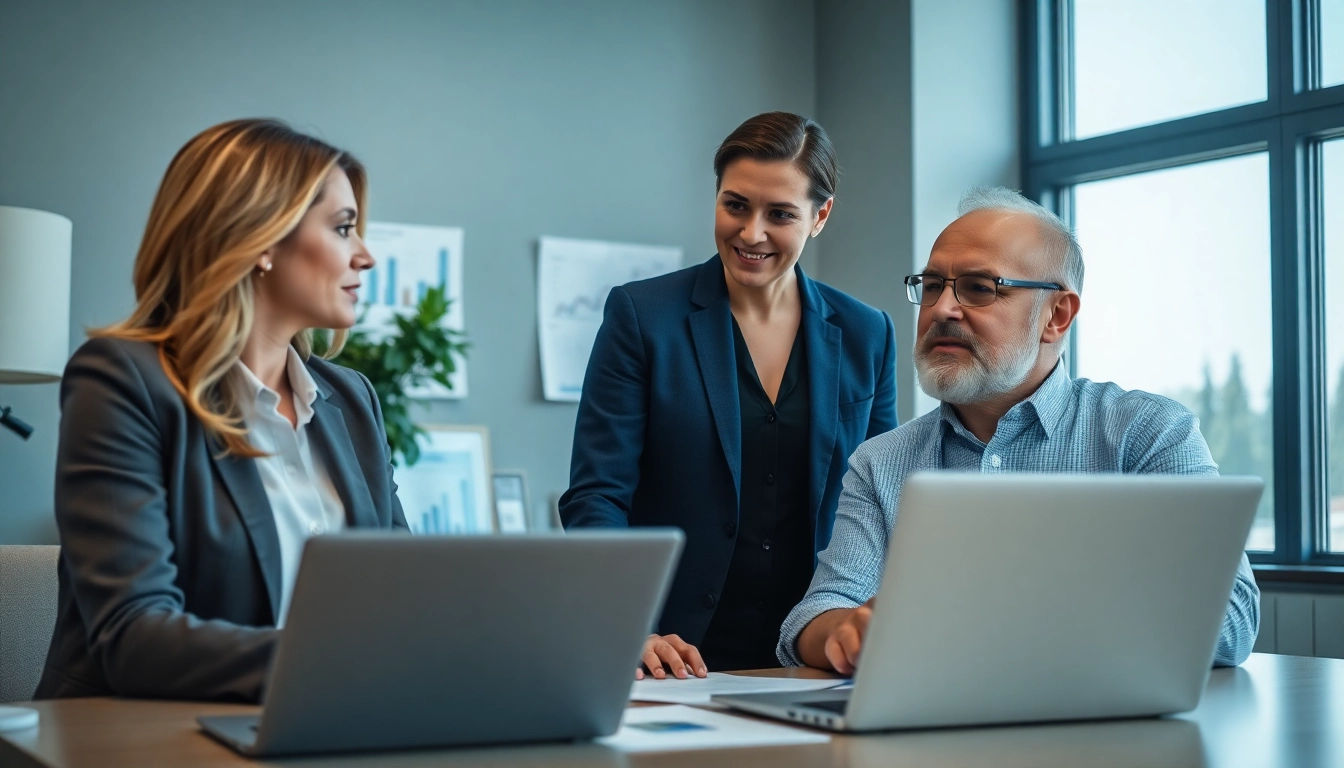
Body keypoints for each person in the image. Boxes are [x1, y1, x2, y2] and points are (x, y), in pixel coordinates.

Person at [778, 186, 1260, 673]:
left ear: (1057, 315)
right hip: (931, 736)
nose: (942, 308)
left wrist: (1013, 619)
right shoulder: (881, 462)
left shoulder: (1149, 434)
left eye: (979, 288)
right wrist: (845, 632)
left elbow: (1233, 619)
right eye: (931, 286)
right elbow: (813, 616)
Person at [35, 119, 408, 702]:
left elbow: (402, 596)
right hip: (142, 741)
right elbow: (132, 637)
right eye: (343, 229)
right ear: (261, 238)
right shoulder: (121, 381)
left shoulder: (352, 399)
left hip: (325, 732)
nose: (366, 257)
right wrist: (337, 666)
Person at [560, 112, 898, 678]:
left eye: (781, 214)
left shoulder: (868, 334)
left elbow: (878, 503)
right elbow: (597, 495)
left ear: (821, 216)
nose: (751, 233)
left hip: (813, 656)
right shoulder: (643, 318)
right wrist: (627, 624)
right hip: (670, 655)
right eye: (735, 205)